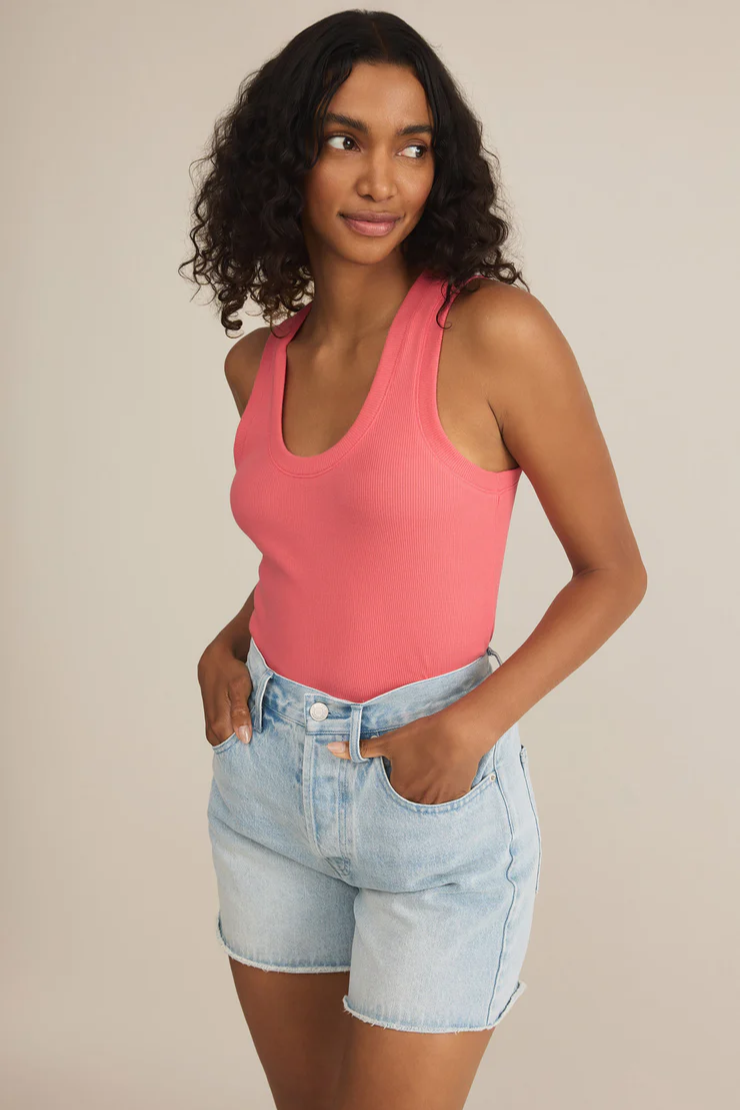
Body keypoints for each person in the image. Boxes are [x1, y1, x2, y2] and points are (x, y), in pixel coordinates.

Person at [180, 10, 647, 1110]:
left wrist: (472, 726)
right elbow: (319, 550)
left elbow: (612, 572)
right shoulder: (258, 365)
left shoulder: (491, 333)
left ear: (444, 166)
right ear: (285, 158)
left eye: (413, 145)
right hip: (267, 788)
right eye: (344, 140)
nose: (380, 179)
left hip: (432, 794)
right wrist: (227, 641)